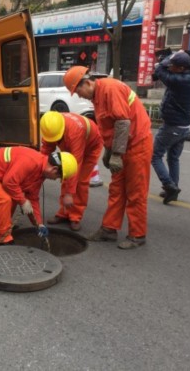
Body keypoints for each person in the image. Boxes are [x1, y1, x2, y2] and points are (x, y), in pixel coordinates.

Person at [63, 66, 153, 250]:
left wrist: (117, 154)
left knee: (135, 192)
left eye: (78, 91)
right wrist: (109, 151)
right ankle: (109, 229)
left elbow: (122, 122)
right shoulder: (97, 96)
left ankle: (137, 235)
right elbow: (108, 125)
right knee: (116, 190)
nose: (79, 96)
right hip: (122, 145)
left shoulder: (110, 89)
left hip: (137, 145)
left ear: (87, 82)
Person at [0, 146, 78, 245]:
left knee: (14, 196)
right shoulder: (31, 161)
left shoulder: (40, 173)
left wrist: (38, 224)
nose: (55, 180)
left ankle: (4, 225)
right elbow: (9, 183)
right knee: (4, 200)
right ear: (54, 169)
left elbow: (33, 198)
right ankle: (2, 239)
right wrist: (23, 201)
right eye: (58, 177)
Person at [151, 50, 190, 204]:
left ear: (181, 68)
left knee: (155, 156)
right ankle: (174, 188)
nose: (170, 67)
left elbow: (159, 69)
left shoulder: (178, 81)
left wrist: (166, 59)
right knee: (173, 158)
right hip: (184, 126)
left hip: (172, 126)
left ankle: (169, 185)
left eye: (173, 65)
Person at [40, 111, 103, 231]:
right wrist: (39, 169)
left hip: (91, 147)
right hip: (70, 144)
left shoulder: (75, 132)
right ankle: (64, 213)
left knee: (80, 181)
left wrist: (69, 193)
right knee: (64, 175)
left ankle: (75, 216)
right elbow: (46, 149)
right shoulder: (50, 125)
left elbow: (75, 165)